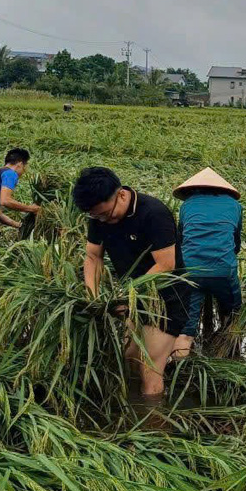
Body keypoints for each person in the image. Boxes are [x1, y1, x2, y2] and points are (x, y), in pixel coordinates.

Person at [72, 167, 187, 396]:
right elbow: (93, 256)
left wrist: (124, 296)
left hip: (165, 299)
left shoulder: (153, 213)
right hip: (133, 298)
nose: (105, 220)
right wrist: (93, 298)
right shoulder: (98, 216)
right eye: (97, 216)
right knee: (129, 359)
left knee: (149, 369)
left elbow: (165, 265)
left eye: (107, 214)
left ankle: (153, 423)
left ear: (121, 194)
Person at [171, 167, 244, 358]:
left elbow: (181, 238)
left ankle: (180, 372)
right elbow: (236, 242)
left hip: (190, 271)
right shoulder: (234, 206)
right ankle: (232, 356)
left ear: (194, 189)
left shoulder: (187, 205)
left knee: (186, 329)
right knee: (234, 313)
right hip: (222, 270)